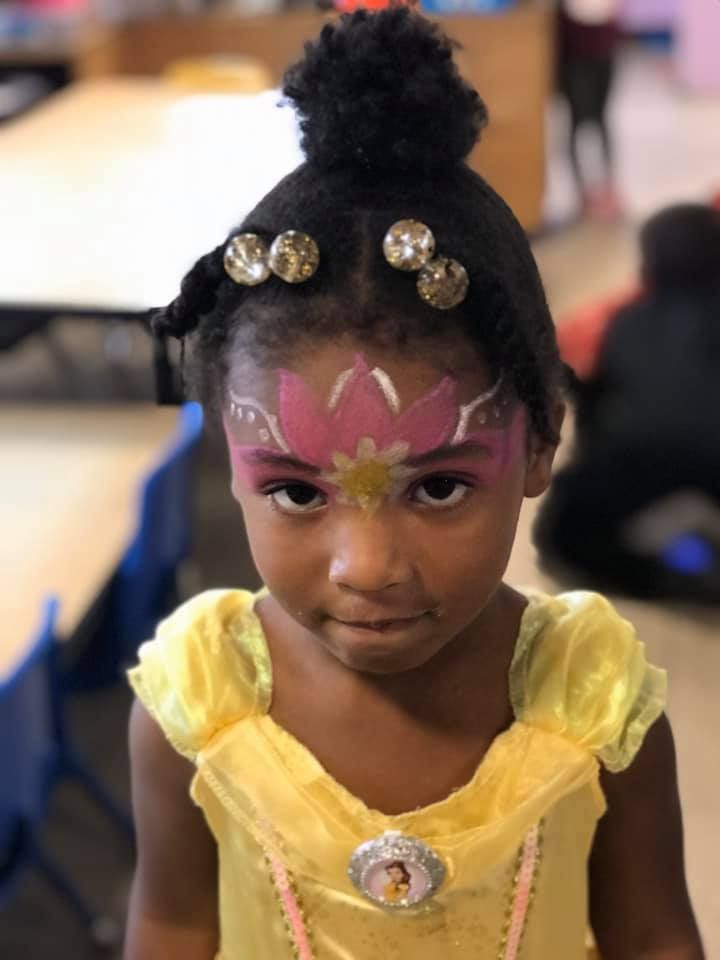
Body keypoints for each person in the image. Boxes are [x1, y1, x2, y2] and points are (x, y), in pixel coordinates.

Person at [124, 10, 703, 959]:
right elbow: (173, 924)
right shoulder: (196, 708)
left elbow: (655, 936)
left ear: (540, 443)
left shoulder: (596, 702)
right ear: (229, 456)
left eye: (437, 488)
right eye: (297, 493)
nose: (366, 566)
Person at [536, 202, 720, 604]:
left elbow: (595, 418)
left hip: (641, 457)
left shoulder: (626, 322)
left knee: (562, 533)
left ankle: (669, 573)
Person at [557, 0, 623, 221]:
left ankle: (608, 186)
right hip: (575, 53)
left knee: (602, 118)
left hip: (604, 48)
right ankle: (581, 192)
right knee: (578, 121)